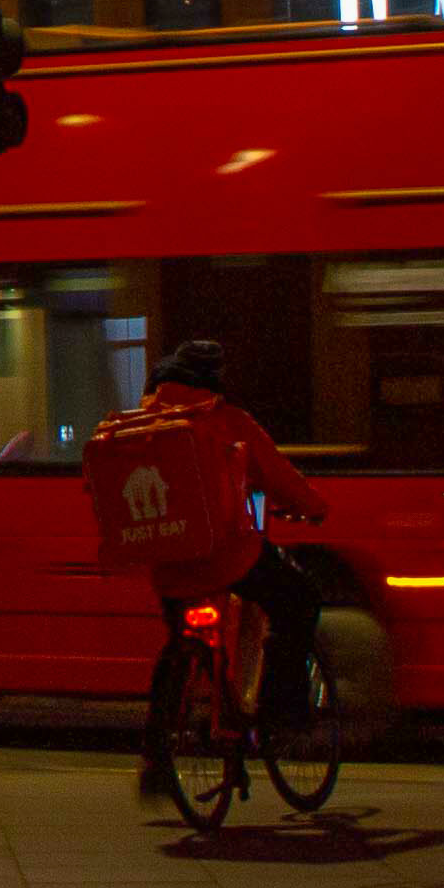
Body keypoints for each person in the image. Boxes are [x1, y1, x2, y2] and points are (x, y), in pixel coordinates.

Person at [108, 336, 330, 797]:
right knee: (299, 599)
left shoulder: (138, 423)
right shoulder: (229, 421)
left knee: (180, 644)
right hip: (231, 557)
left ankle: (155, 755)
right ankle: (281, 710)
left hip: (169, 563)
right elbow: (280, 477)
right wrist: (313, 507)